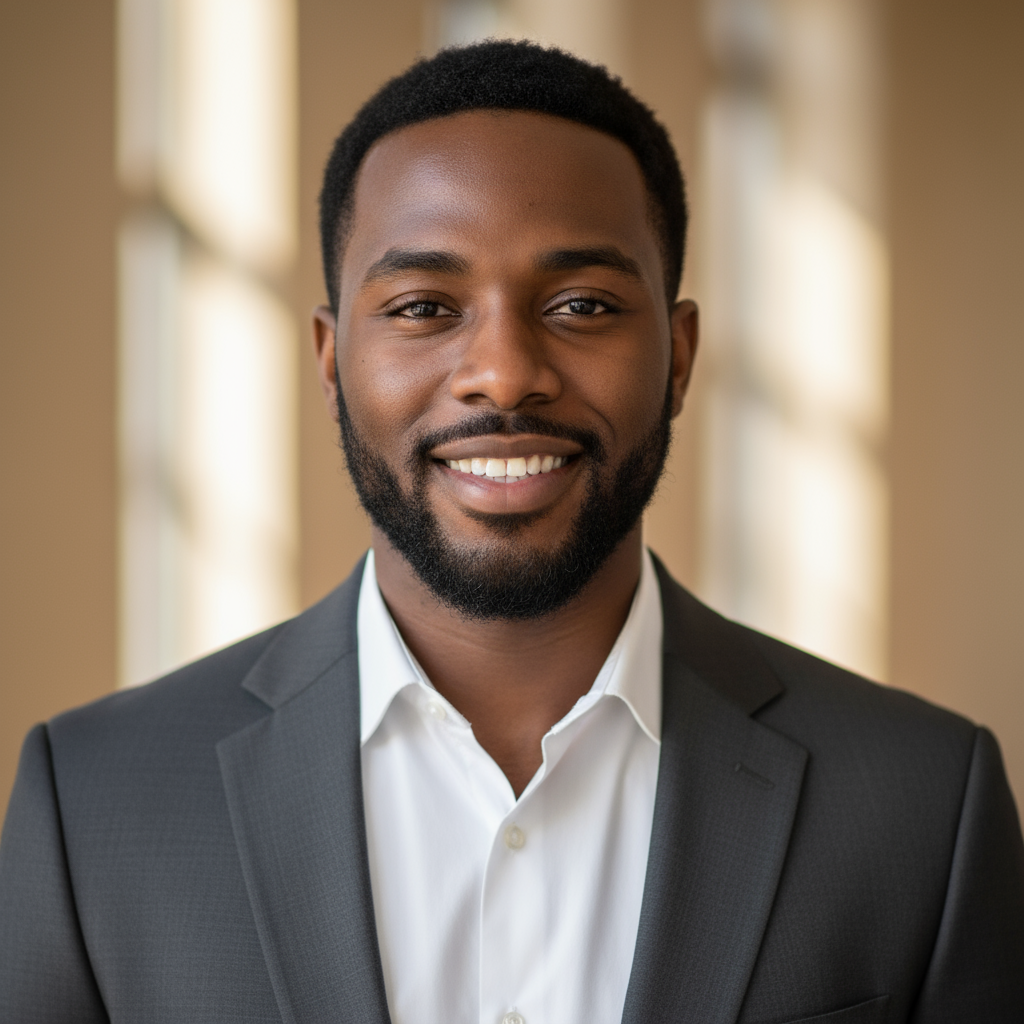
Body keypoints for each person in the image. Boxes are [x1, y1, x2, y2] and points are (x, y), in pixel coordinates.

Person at [1, 39, 1022, 1024]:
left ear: (678, 352)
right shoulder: (91, 806)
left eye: (580, 303)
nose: (502, 371)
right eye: (422, 305)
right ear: (329, 359)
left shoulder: (921, 804)